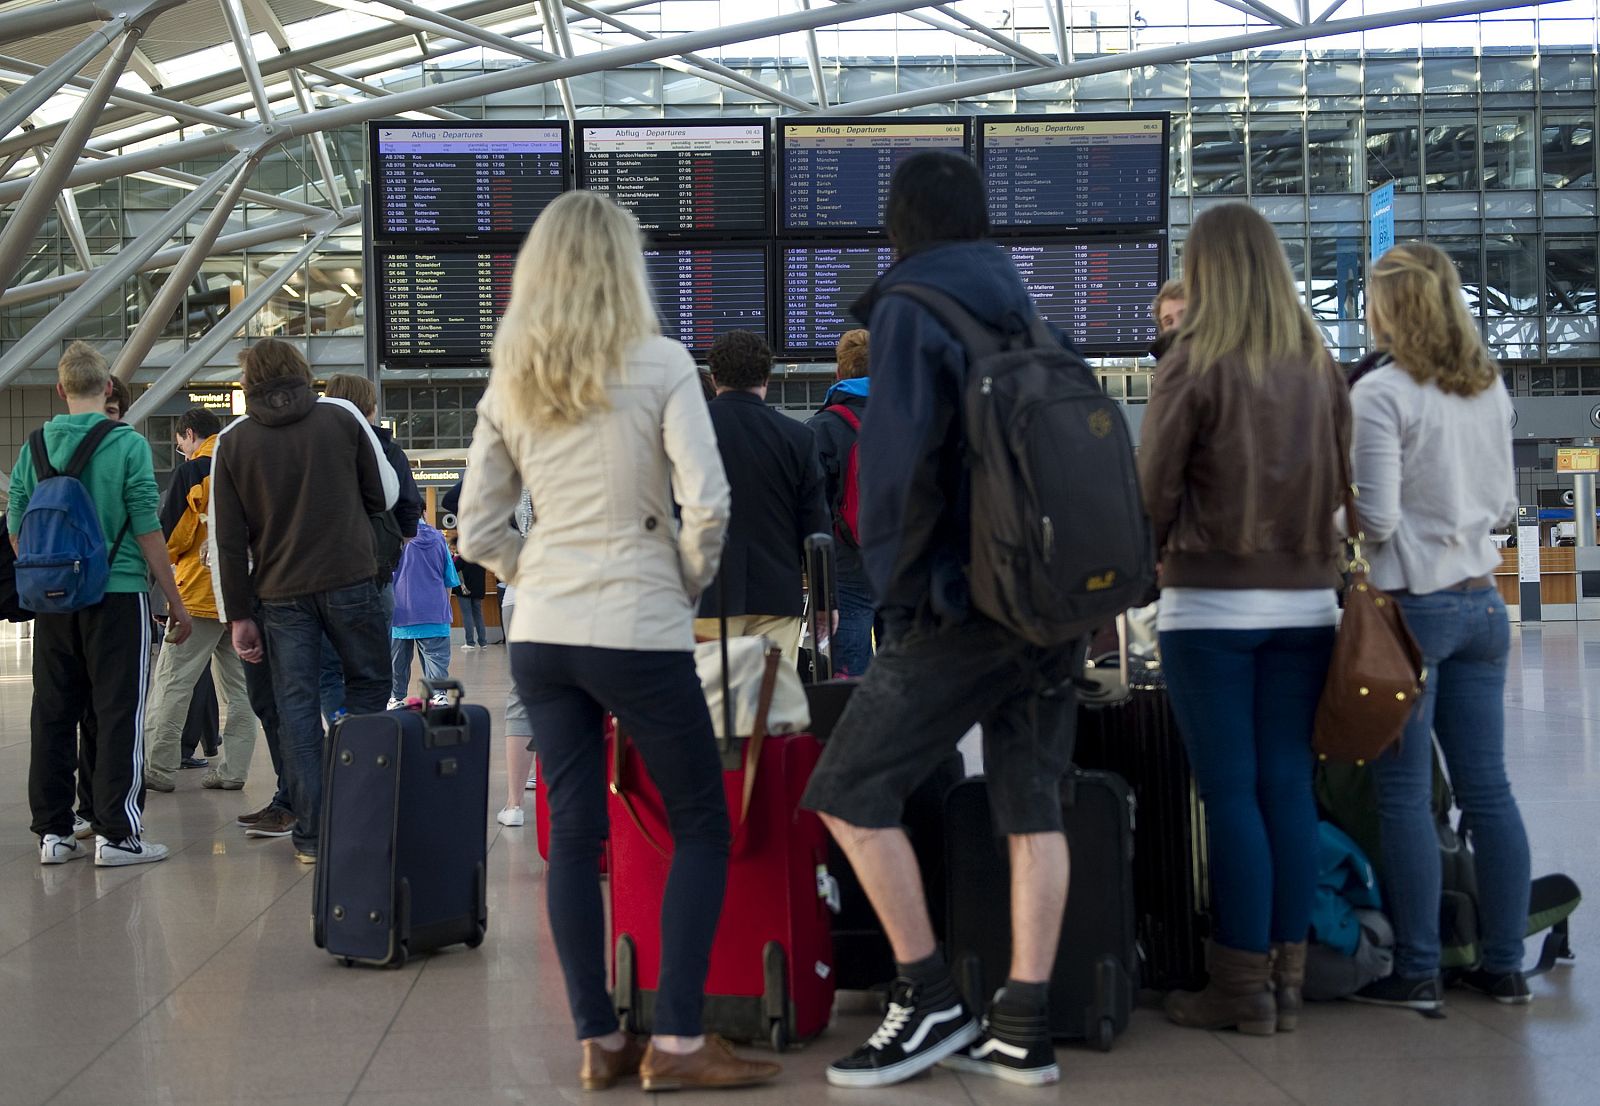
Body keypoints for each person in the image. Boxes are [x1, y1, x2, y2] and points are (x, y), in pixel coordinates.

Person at [458, 190, 776, 1092]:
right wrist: (676, 581)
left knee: (576, 830)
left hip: (542, 635)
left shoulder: (511, 375)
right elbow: (707, 502)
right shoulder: (664, 361)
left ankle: (598, 1040)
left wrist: (541, 570)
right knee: (701, 822)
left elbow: (477, 530)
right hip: (635, 624)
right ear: (625, 266)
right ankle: (677, 1043)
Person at [799, 151, 1083, 1089]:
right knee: (1031, 806)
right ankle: (1025, 1023)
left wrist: (902, 596)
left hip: (959, 607)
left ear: (898, 227)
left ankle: (925, 995)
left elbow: (893, 476)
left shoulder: (914, 311)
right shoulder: (1025, 312)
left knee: (847, 789)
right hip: (1050, 603)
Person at [1137, 201, 1348, 1036]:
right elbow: (1345, 484)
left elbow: (1151, 491)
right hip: (1309, 602)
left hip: (1210, 605)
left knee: (1229, 796)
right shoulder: (1318, 361)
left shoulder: (1193, 362)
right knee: (1288, 787)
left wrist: (1131, 571)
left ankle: (1238, 988)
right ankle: (1289, 981)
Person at [1347, 242, 1531, 1010]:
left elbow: (1378, 517)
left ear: (1390, 307)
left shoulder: (1381, 394)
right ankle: (1504, 967)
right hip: (1485, 604)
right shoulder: (1489, 389)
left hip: (1412, 614)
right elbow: (1505, 505)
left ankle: (1418, 970)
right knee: (1488, 790)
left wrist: (1326, 514)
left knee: (1404, 796)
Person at [209, 338, 397, 864]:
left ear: (248, 384)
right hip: (351, 579)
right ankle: (357, 807)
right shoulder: (340, 418)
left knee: (294, 709)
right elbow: (382, 495)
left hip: (279, 595)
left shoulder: (232, 442)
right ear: (301, 371)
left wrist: (239, 616)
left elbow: (227, 539)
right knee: (368, 688)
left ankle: (311, 836)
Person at [12, 341, 193, 867]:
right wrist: (175, 602)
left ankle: (53, 834)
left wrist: (45, 571)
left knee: (52, 712)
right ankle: (119, 836)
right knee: (119, 713)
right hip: (117, 595)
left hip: (54, 601)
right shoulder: (127, 444)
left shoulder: (35, 444)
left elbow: (17, 520)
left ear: (60, 389)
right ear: (109, 388)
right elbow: (146, 527)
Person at [693, 329, 830, 664]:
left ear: (713, 378)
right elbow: (815, 527)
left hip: (706, 595)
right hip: (776, 597)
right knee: (772, 704)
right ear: (767, 376)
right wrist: (825, 602)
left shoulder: (688, 433)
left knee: (710, 704)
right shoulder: (798, 437)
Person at [142, 407, 258, 793]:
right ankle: (233, 770)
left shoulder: (195, 470)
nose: (182, 452)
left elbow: (171, 536)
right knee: (240, 689)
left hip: (200, 593)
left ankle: (158, 767)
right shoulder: (248, 467)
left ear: (189, 434)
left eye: (180, 445)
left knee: (174, 681)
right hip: (245, 595)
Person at [317, 373, 421, 720]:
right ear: (369, 407)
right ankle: (367, 738)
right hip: (375, 574)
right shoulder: (388, 450)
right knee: (374, 668)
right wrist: (396, 544)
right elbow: (409, 506)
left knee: (329, 669)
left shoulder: (315, 447)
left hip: (322, 576)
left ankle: (342, 731)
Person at [808, 328, 875, 677]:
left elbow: (814, 508)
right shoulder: (913, 418)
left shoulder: (822, 428)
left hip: (849, 564)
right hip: (905, 561)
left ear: (838, 373)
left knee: (851, 674)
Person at [388, 518, 458, 706]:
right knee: (436, 656)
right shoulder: (438, 538)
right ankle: (438, 695)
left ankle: (396, 698)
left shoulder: (394, 538)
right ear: (423, 512)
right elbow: (448, 579)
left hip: (400, 609)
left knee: (396, 660)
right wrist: (443, 606)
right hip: (434, 609)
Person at [453, 541, 489, 650]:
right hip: (478, 590)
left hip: (465, 590)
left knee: (467, 615)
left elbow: (453, 569)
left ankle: (470, 642)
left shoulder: (463, 558)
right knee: (478, 615)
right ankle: (483, 642)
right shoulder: (481, 559)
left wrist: (455, 557)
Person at [1149, 278, 1187, 359]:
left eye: (1184, 316)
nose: (1177, 326)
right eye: (1169, 322)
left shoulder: (1217, 366)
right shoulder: (1164, 370)